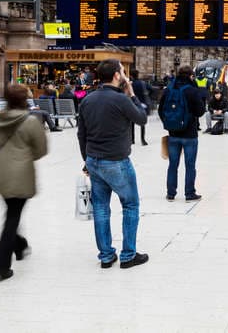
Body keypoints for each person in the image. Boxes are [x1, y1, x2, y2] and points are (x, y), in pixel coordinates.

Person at [77, 59, 149, 270]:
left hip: (94, 160)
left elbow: (81, 134)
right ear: (118, 76)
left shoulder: (88, 100)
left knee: (100, 207)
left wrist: (86, 161)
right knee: (130, 204)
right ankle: (128, 255)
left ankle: (106, 255)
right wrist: (132, 93)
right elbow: (142, 119)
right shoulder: (122, 99)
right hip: (117, 161)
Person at [0, 84, 48, 283]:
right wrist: (23, 157)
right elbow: (41, 150)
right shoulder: (30, 121)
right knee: (12, 217)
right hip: (20, 174)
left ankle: (20, 246)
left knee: (12, 212)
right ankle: (0, 267)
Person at [159, 65, 205, 202]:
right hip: (189, 134)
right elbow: (200, 111)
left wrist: (169, 125)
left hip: (173, 134)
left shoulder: (169, 90)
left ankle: (171, 193)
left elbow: (161, 110)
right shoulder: (191, 90)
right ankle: (189, 193)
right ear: (191, 76)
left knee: (173, 164)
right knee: (190, 165)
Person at [130, 70, 152, 146]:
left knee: (132, 122)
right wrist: (147, 95)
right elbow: (151, 89)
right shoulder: (143, 83)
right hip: (142, 103)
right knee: (142, 122)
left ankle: (132, 139)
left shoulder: (130, 84)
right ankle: (143, 140)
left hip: (133, 103)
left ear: (131, 76)